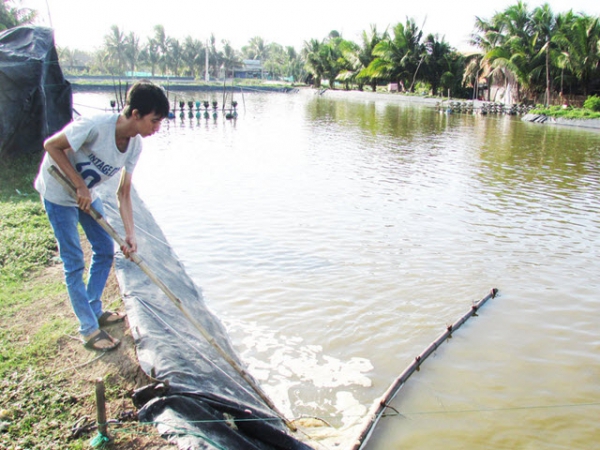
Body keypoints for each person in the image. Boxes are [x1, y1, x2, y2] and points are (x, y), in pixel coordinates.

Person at [34, 80, 170, 352]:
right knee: (73, 262)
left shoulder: (134, 146)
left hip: (88, 193)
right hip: (59, 193)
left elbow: (124, 192)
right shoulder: (95, 126)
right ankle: (88, 329)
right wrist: (79, 185)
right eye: (154, 121)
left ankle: (94, 308)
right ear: (135, 115)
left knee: (105, 250)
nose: (157, 128)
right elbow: (51, 146)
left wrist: (130, 234)